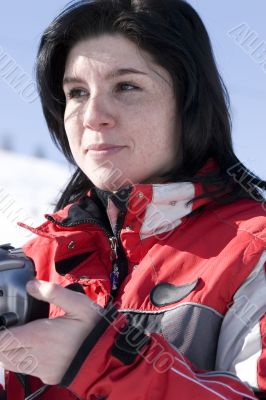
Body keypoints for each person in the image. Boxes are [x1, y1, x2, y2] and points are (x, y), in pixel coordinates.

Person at [0, 0, 265, 399]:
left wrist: (100, 361)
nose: (93, 115)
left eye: (127, 86)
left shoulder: (252, 250)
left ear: (189, 103)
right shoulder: (35, 262)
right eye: (76, 92)